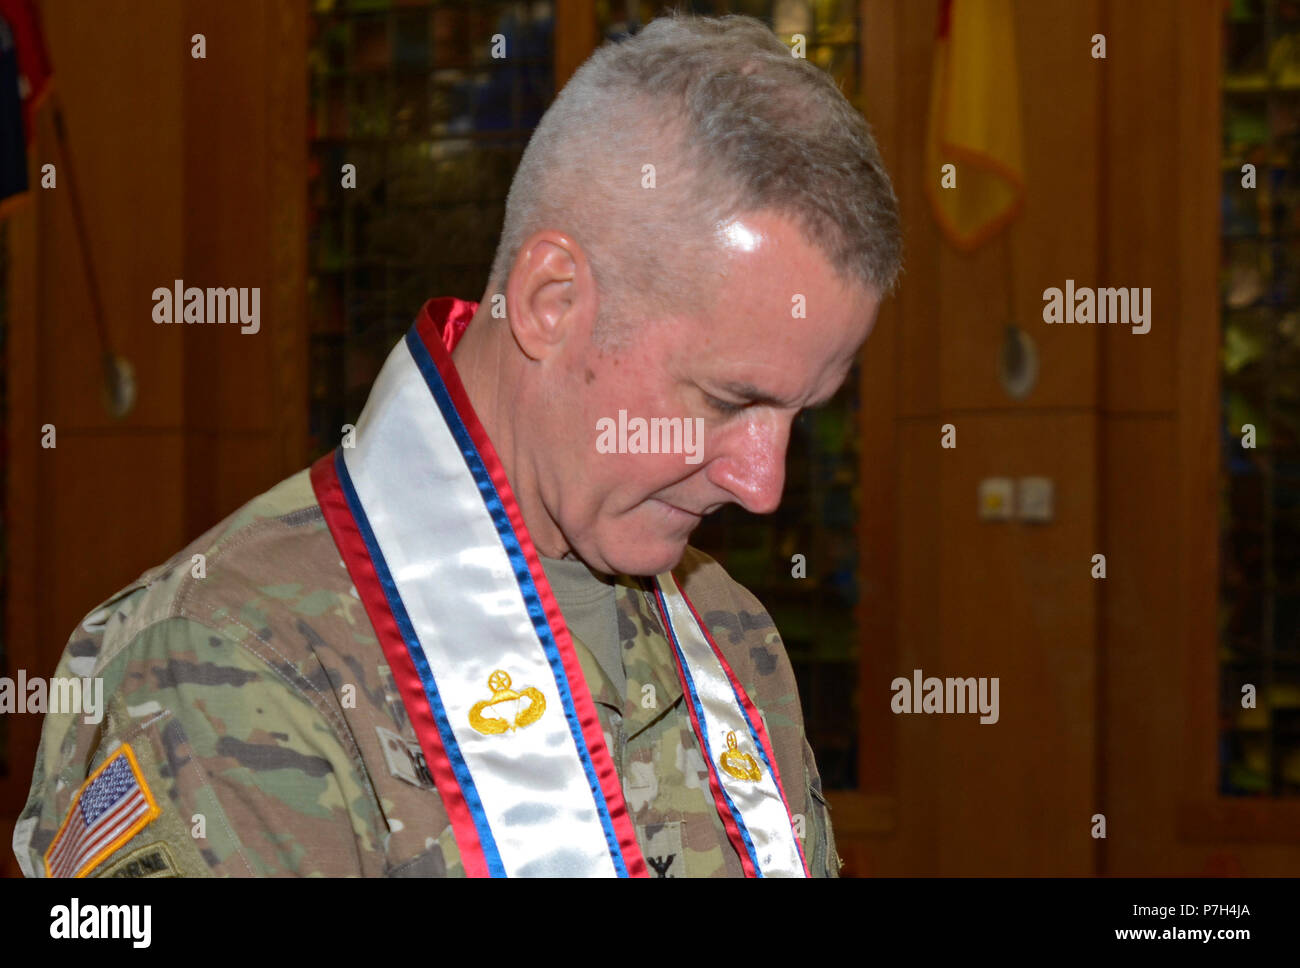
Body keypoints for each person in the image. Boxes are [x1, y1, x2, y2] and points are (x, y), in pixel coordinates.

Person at [14, 11, 900, 878]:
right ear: (552, 303)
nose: (763, 485)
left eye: (800, 412)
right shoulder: (228, 659)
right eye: (730, 400)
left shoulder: (731, 636)